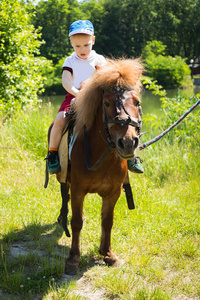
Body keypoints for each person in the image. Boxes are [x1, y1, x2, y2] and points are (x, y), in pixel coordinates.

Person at [47, 20, 143, 174]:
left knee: (123, 119)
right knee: (60, 120)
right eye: (77, 46)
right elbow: (66, 81)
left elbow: (109, 81)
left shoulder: (100, 60)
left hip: (97, 98)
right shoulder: (70, 61)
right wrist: (78, 94)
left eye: (86, 45)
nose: (82, 49)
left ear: (93, 40)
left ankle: (130, 155)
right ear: (71, 43)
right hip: (74, 96)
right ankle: (52, 154)